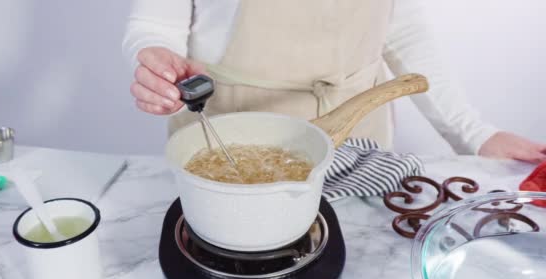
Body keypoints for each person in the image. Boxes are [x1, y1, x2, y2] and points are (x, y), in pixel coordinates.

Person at [122, 0, 546, 163]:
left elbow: (402, 29)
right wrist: (158, 65)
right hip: (230, 138)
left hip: (359, 139)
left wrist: (475, 133)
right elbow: (156, 23)